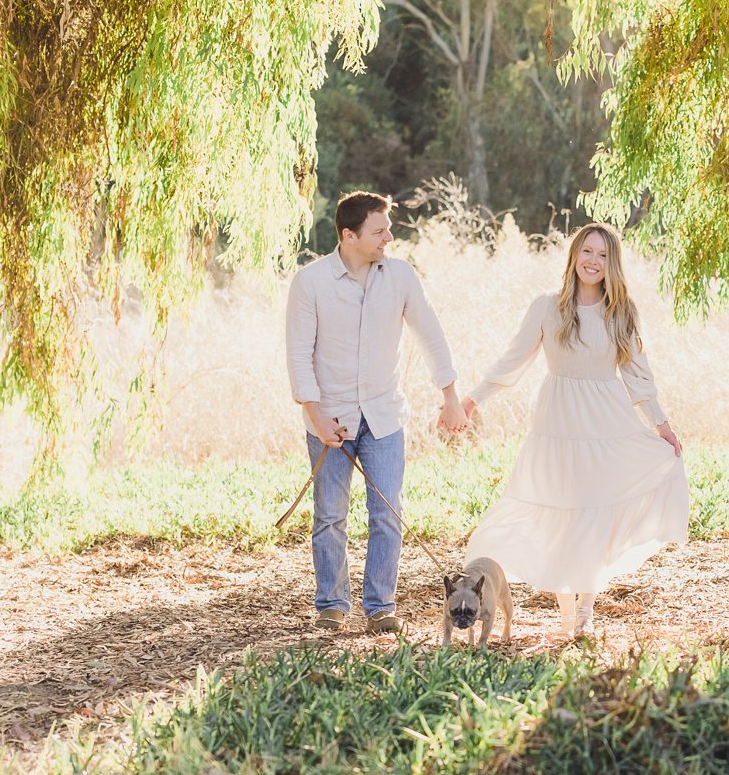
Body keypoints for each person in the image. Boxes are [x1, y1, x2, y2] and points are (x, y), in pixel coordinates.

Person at [461, 222, 688, 640]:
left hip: (606, 423)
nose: (593, 261)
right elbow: (512, 361)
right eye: (587, 252)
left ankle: (585, 608)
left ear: (612, 263)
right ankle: (566, 607)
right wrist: (471, 400)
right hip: (556, 424)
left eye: (602, 255)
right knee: (560, 510)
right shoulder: (547, 308)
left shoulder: (621, 312)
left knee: (593, 511)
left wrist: (663, 426)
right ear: (574, 256)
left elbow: (639, 376)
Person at [286, 191, 468, 633]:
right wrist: (315, 414)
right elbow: (298, 354)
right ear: (349, 236)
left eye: (388, 228)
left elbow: (430, 335)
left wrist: (450, 396)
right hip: (331, 418)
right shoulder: (310, 283)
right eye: (379, 230)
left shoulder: (401, 276)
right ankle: (331, 603)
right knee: (330, 514)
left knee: (387, 513)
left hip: (385, 417)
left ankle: (380, 606)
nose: (390, 236)